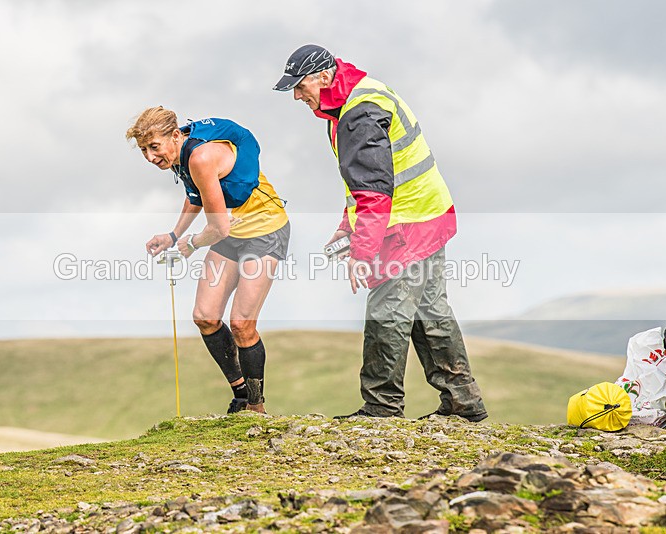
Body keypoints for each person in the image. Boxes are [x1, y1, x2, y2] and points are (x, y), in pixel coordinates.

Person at [273, 45, 487, 421]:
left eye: (299, 85)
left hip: (406, 222)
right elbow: (364, 183)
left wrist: (362, 252)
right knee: (429, 311)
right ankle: (463, 403)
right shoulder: (353, 99)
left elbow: (373, 190)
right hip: (427, 213)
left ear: (324, 77)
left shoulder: (358, 113)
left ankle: (381, 406)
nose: (296, 95)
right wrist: (347, 226)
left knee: (386, 312)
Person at [126, 107, 290, 414]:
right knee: (205, 316)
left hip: (265, 230)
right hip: (232, 231)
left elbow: (217, 228)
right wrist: (174, 236)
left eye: (154, 147)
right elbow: (196, 194)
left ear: (175, 135)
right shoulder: (180, 156)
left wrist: (191, 244)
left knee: (241, 324)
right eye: (144, 150)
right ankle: (240, 395)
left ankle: (256, 408)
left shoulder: (199, 157)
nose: (150, 157)